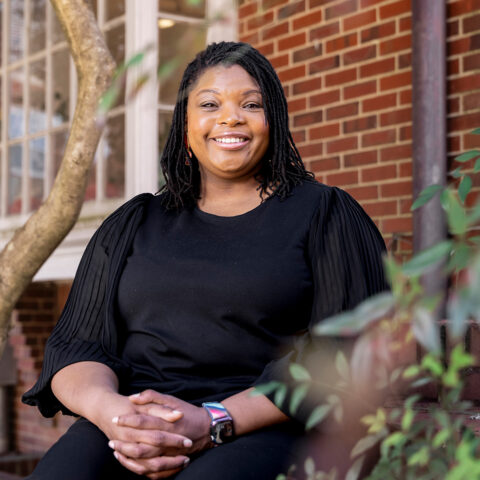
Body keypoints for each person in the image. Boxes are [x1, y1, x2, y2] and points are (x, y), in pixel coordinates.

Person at [22, 41, 388, 480]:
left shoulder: (325, 215)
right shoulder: (134, 223)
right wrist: (117, 416)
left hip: (263, 424)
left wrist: (213, 420)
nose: (230, 117)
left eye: (251, 104)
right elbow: (77, 346)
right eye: (210, 104)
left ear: (273, 120)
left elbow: (347, 352)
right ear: (186, 128)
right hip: (132, 421)